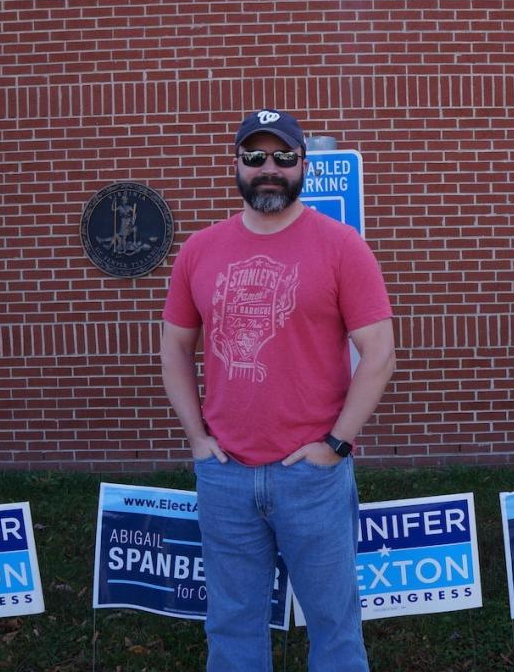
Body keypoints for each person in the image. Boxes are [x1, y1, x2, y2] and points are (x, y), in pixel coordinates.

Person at [160, 108, 395, 672]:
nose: (269, 168)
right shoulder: (199, 250)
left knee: (335, 628)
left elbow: (380, 354)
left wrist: (335, 445)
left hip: (311, 477)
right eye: (255, 156)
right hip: (225, 475)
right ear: (236, 164)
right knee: (233, 629)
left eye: (283, 157)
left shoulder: (342, 247)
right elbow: (173, 349)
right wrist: (196, 437)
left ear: (303, 166)